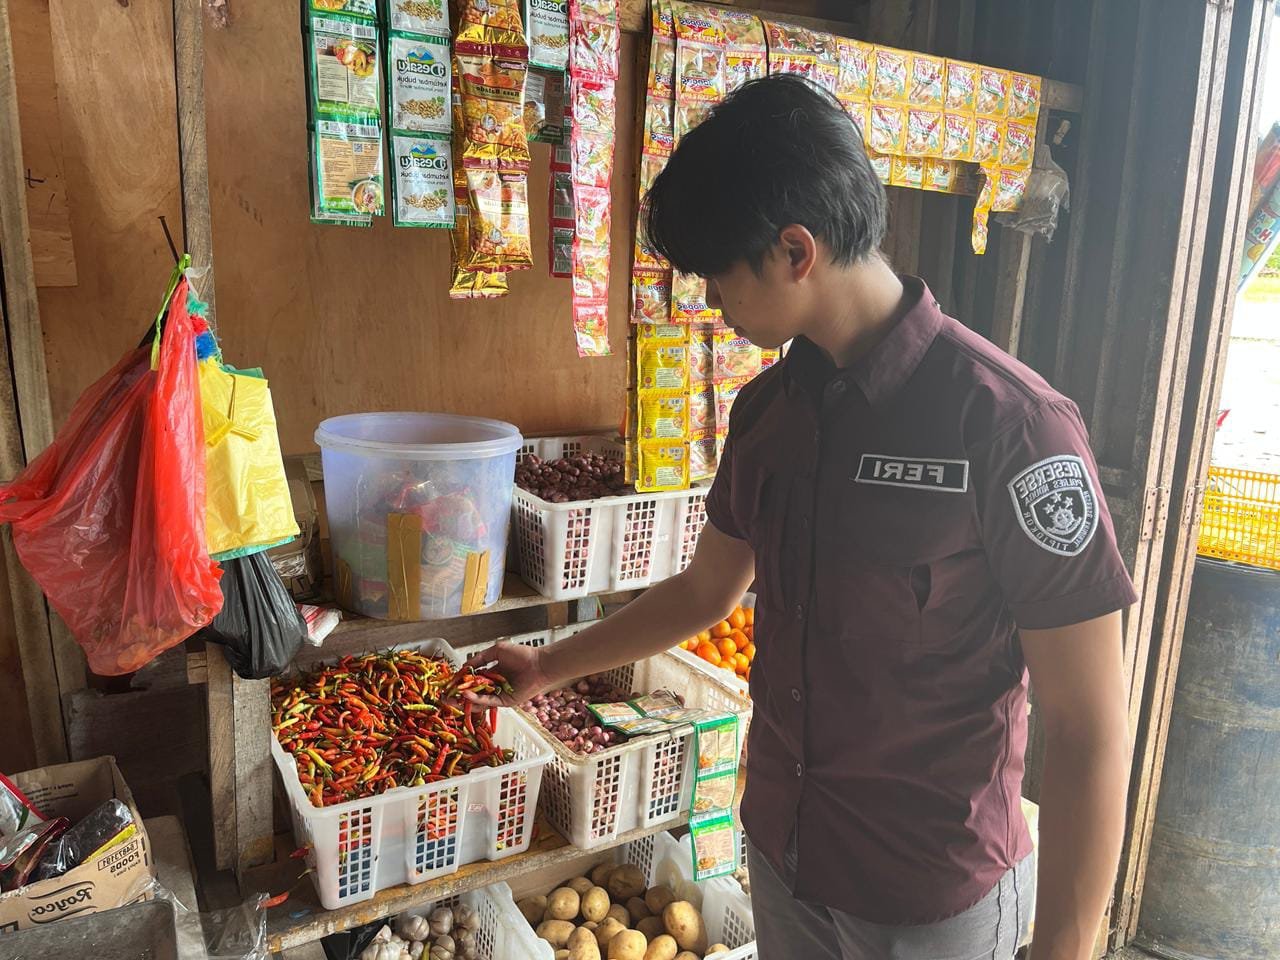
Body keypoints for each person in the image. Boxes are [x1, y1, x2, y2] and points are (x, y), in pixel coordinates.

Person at [469, 75, 1136, 960]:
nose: (714, 303)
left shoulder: (1012, 428)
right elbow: (706, 591)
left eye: (720, 277)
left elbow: (1089, 728)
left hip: (928, 900)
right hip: (786, 863)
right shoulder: (768, 415)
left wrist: (1066, 948)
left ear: (794, 251)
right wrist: (549, 666)